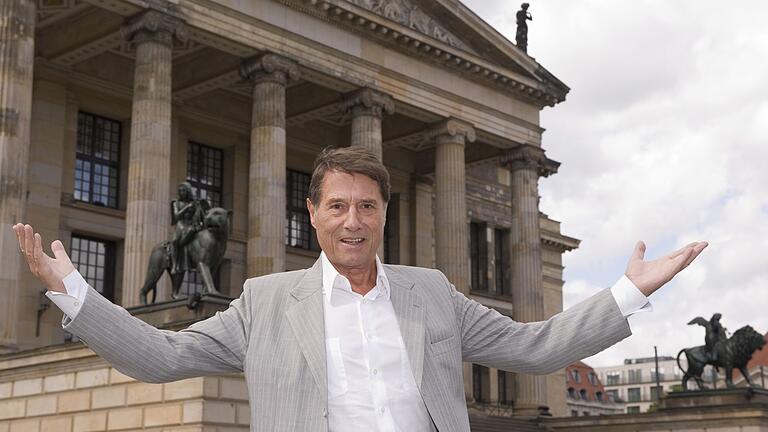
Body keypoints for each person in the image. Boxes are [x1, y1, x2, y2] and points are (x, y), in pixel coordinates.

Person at [12, 146, 707, 432]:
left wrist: (626, 292)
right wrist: (73, 290)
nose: (353, 221)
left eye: (367, 207)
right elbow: (160, 357)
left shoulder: (430, 291)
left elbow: (533, 346)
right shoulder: (265, 303)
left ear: (383, 216)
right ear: (311, 215)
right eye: (337, 207)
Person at [170, 182, 210, 275]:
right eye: (180, 191)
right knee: (175, 241)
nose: (181, 193)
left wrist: (198, 206)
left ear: (188, 191)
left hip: (190, 225)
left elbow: (200, 216)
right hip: (181, 224)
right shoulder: (176, 203)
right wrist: (187, 207)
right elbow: (176, 217)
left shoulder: (194, 203)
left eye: (183, 191)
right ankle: (174, 265)